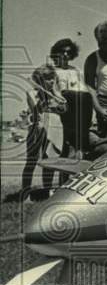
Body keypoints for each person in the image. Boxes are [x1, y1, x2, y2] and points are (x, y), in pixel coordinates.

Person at [16, 66, 64, 201]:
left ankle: (48, 193)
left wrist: (54, 93)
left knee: (49, 161)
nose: (50, 81)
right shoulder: (32, 93)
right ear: (39, 80)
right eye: (46, 79)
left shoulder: (57, 93)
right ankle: (25, 194)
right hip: (38, 127)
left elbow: (64, 108)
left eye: (51, 78)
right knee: (31, 161)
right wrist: (42, 96)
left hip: (54, 128)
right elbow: (35, 110)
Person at [50, 38, 93, 159]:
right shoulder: (52, 70)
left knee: (78, 146)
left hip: (78, 108)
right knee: (64, 148)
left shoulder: (76, 71)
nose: (65, 54)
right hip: (62, 107)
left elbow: (84, 90)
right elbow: (53, 91)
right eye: (62, 51)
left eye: (68, 52)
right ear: (56, 53)